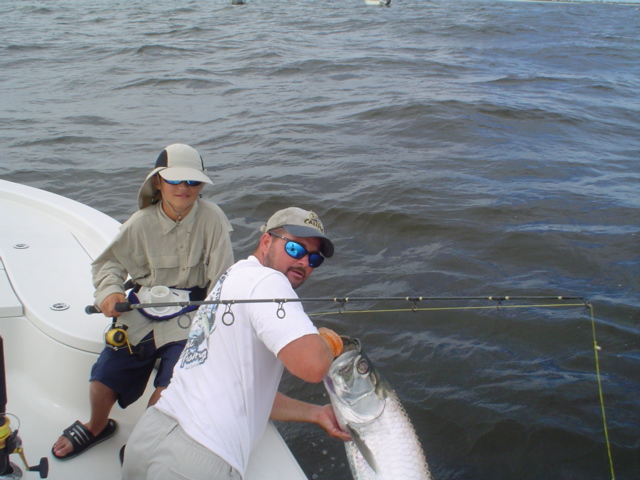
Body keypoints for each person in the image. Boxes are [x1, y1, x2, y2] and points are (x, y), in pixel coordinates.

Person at [122, 207, 350, 480]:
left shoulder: (232, 276)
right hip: (197, 459)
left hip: (150, 435)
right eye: (295, 248)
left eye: (314, 259)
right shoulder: (270, 281)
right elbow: (313, 367)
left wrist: (316, 413)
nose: (304, 262)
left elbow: (245, 391)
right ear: (266, 241)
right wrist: (329, 343)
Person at [52, 143, 234, 460]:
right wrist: (109, 293)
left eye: (193, 182)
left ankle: (141, 442)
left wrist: (217, 327)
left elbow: (222, 280)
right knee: (104, 377)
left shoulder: (213, 219)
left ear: (201, 186)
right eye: (175, 180)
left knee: (171, 386)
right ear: (158, 182)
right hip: (137, 313)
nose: (184, 188)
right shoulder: (139, 222)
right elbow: (109, 265)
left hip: (191, 316)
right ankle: (97, 425)